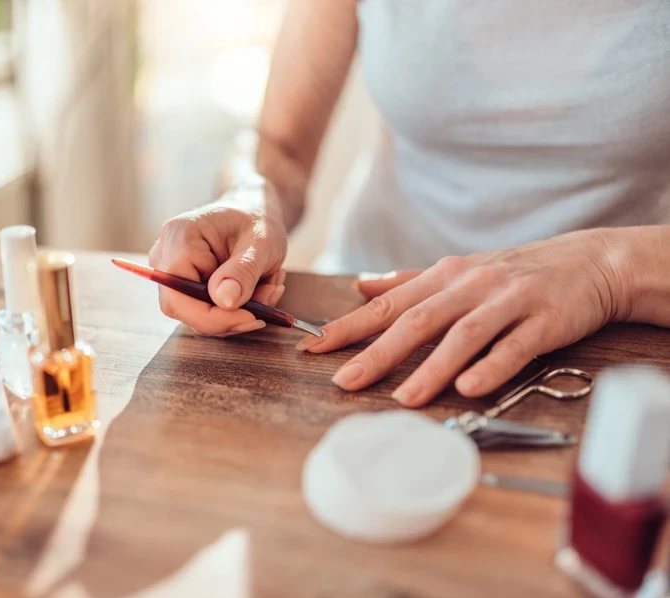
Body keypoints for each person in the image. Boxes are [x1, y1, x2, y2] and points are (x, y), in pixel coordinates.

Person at [147, 0, 670, 407]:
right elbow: (279, 147)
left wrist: (607, 271)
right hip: (361, 311)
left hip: (615, 348)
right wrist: (250, 195)